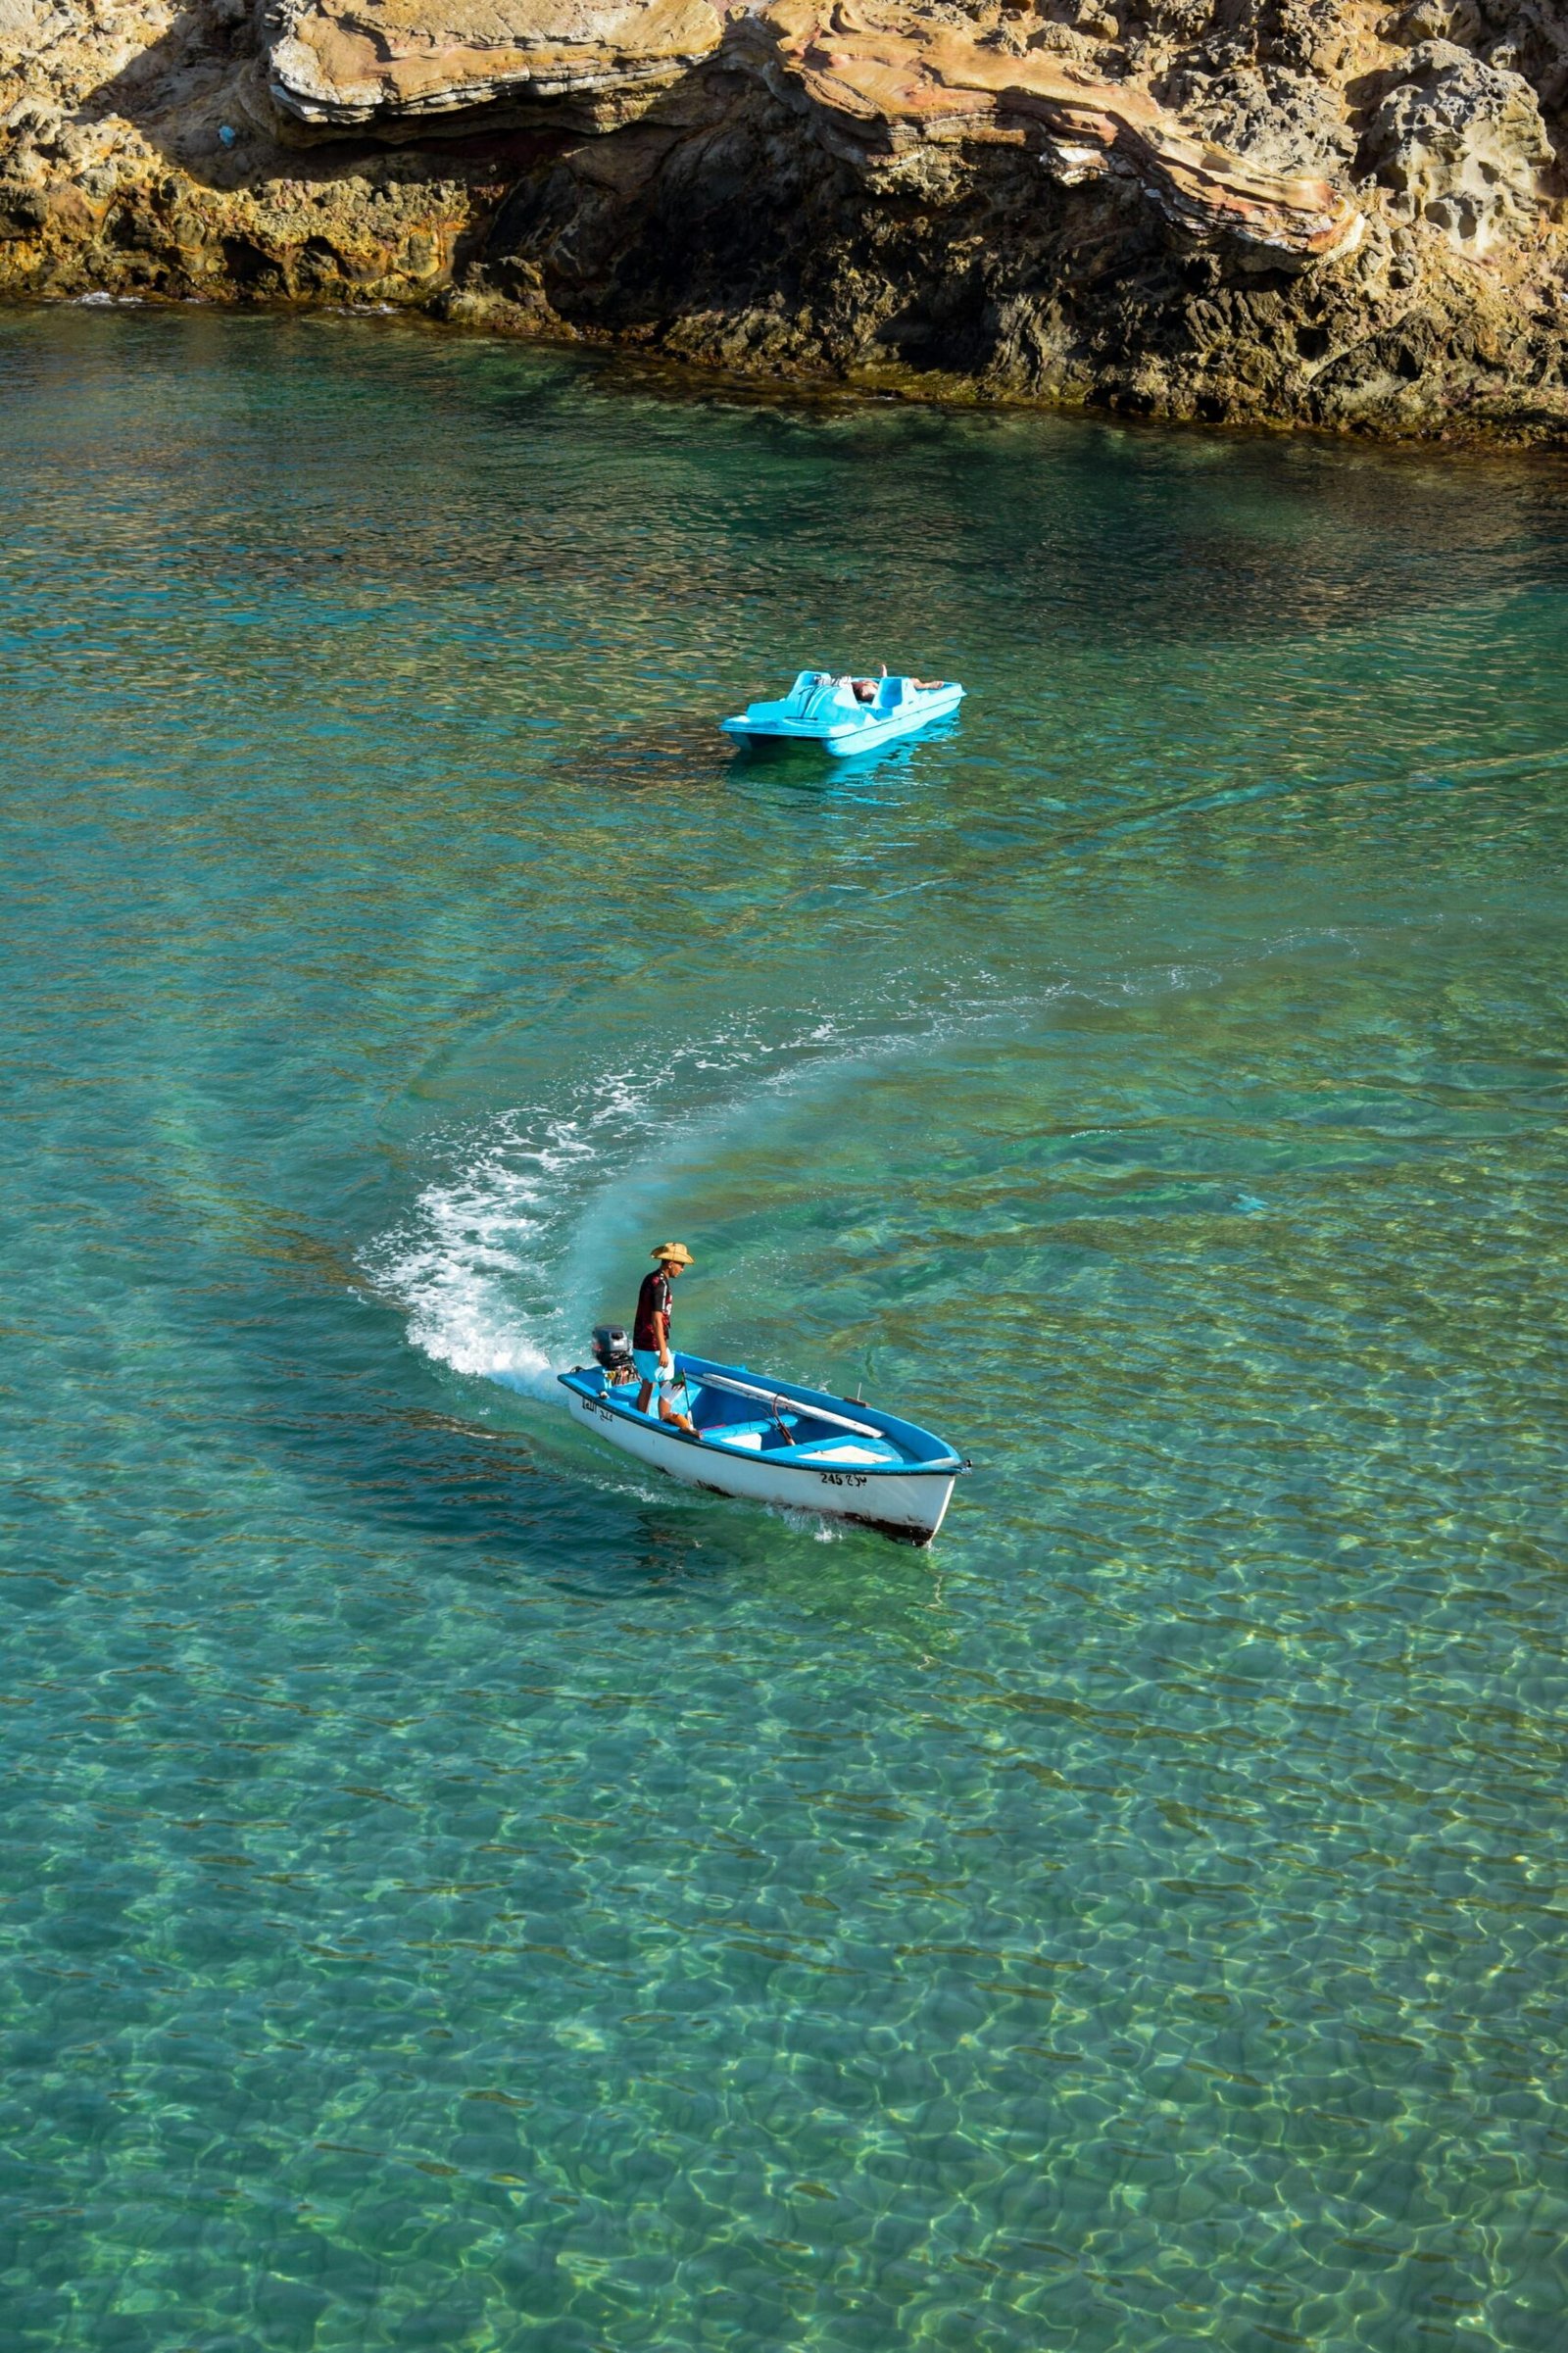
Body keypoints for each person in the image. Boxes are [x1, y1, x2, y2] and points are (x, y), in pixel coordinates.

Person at [633, 1242, 696, 1430]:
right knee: (670, 1386)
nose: (682, 1269)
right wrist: (662, 1351)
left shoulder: (650, 1278)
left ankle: (640, 1420)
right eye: (681, 1264)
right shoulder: (660, 1285)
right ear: (670, 1263)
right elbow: (657, 1320)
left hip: (639, 1342)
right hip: (652, 1344)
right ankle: (663, 1424)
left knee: (648, 1382)